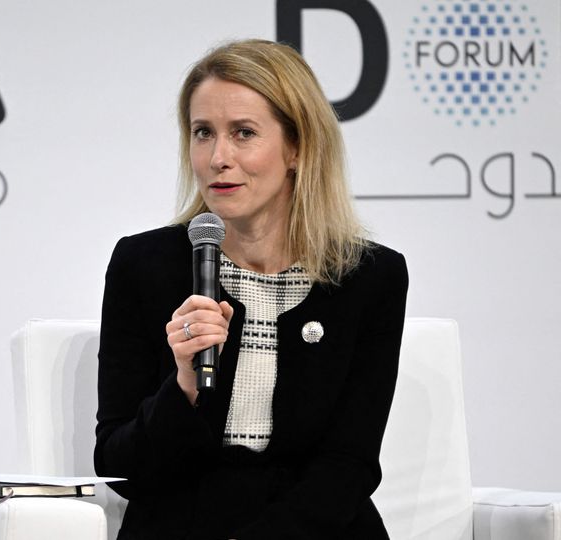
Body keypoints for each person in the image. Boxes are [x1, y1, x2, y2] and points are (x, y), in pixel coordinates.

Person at [94, 39, 409, 539]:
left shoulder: (370, 277)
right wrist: (184, 386)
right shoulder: (145, 266)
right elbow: (120, 465)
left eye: (243, 133)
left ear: (297, 147)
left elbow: (348, 464)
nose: (218, 157)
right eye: (203, 133)